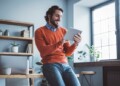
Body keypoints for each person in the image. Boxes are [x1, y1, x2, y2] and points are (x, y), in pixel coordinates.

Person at [35, 5, 81, 86]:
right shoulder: (39, 31)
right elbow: (43, 51)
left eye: (61, 16)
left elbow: (67, 53)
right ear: (49, 16)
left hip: (65, 65)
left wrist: (75, 44)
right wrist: (60, 42)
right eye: (57, 16)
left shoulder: (63, 31)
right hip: (50, 65)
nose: (59, 19)